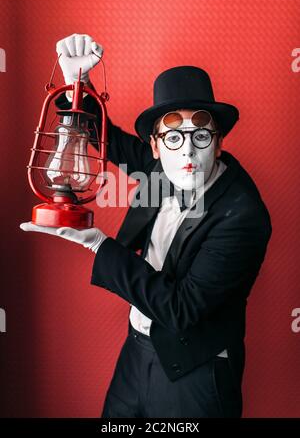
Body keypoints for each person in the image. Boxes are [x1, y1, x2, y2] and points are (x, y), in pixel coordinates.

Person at [20, 33, 272, 418]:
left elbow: (181, 309)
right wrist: (77, 87)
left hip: (194, 369)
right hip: (138, 350)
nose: (187, 151)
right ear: (155, 147)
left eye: (200, 136)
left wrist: (98, 245)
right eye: (173, 138)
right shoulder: (166, 165)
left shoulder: (243, 215)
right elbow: (115, 145)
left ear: (218, 143)